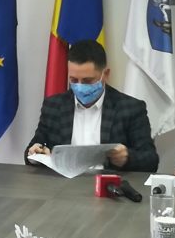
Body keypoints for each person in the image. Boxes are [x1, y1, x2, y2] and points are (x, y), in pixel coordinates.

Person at [25, 40, 159, 172]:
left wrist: (127, 158)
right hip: (62, 182)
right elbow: (33, 149)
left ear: (105, 74)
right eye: (73, 80)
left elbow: (151, 160)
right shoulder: (53, 106)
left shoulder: (130, 108)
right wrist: (35, 154)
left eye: (87, 81)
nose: (80, 86)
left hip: (107, 183)